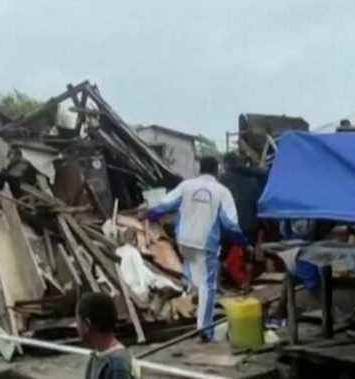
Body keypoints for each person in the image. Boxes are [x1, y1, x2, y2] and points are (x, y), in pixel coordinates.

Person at [145, 156, 248, 342]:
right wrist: (242, 241)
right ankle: (204, 329)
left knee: (194, 279)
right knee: (208, 287)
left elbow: (163, 206)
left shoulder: (186, 186)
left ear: (200, 169)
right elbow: (230, 224)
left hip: (184, 241)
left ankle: (187, 304)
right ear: (216, 171)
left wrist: (149, 215)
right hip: (205, 244)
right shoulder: (222, 191)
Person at [77, 292, 134, 379]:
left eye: (78, 322)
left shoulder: (118, 366)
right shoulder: (96, 357)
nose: (76, 326)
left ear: (87, 324)